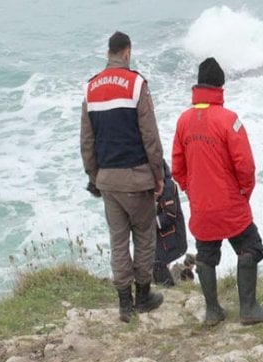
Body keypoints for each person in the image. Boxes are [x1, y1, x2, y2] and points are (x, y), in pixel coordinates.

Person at [172, 57, 263, 326]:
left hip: (201, 205)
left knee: (206, 254)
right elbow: (246, 166)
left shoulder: (183, 121)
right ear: (221, 86)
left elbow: (177, 167)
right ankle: (249, 308)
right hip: (230, 202)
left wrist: (191, 191)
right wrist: (244, 193)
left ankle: (212, 310)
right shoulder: (229, 120)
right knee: (250, 246)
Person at [80, 31, 165, 323]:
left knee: (118, 241)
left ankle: (123, 305)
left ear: (109, 52)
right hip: (137, 177)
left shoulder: (90, 88)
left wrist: (95, 176)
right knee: (143, 236)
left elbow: (86, 141)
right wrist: (159, 174)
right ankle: (143, 296)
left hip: (108, 180)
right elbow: (150, 135)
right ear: (127, 52)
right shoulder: (137, 84)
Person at [153, 159, 188, 287]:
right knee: (153, 263)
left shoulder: (167, 187)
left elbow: (170, 215)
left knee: (157, 263)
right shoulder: (152, 186)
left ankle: (169, 290)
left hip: (173, 239)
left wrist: (149, 225)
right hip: (161, 238)